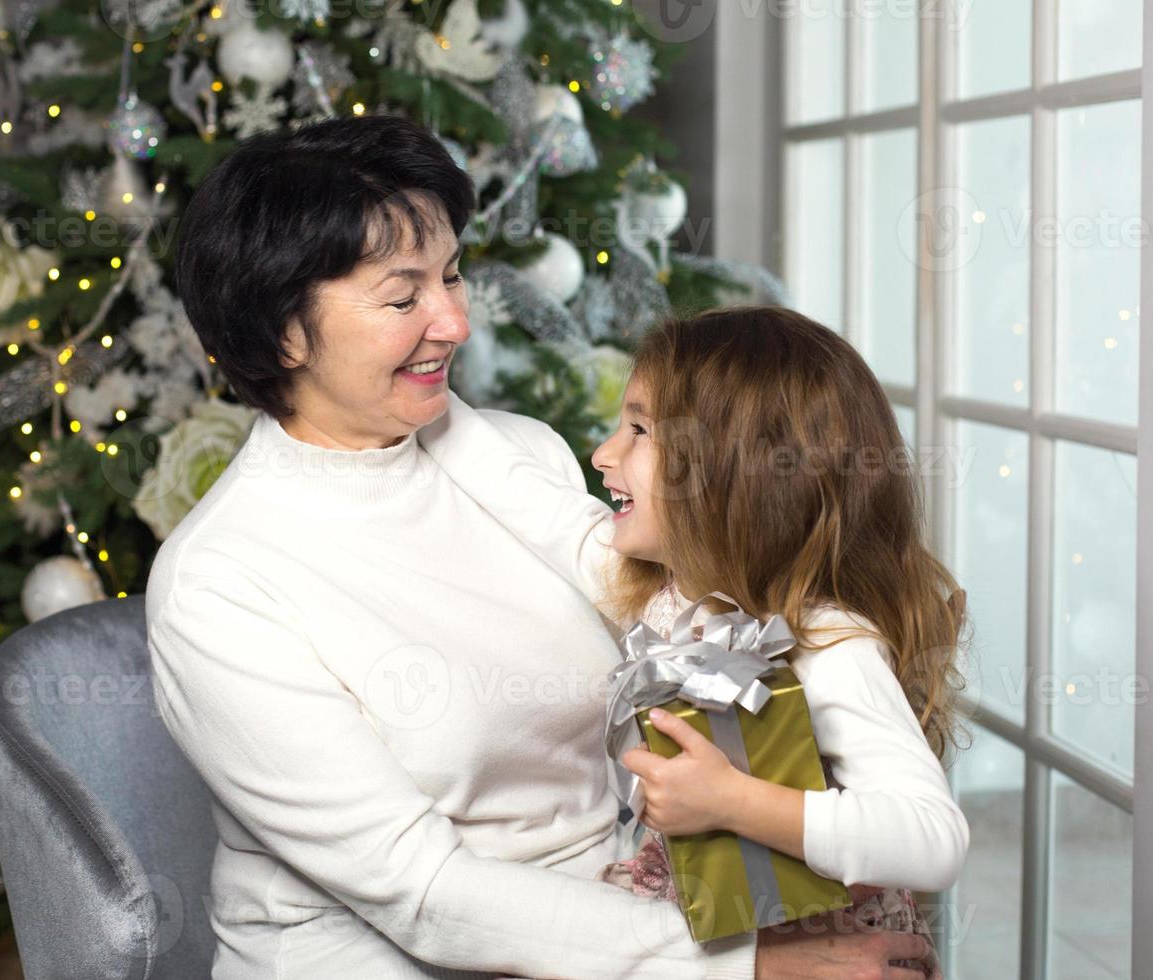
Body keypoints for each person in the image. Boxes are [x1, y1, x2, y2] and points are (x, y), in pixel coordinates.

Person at [149, 112, 935, 978]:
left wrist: (784, 844)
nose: (454, 322)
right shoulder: (219, 582)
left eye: (453, 277)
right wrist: (742, 967)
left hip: (617, 916)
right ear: (283, 333)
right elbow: (424, 895)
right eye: (403, 297)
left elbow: (702, 627)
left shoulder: (515, 457)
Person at [417, 306, 973, 977]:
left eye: (640, 430)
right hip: (709, 948)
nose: (603, 454)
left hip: (827, 958)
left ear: (733, 471)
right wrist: (414, 386)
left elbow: (933, 840)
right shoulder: (663, 593)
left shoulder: (825, 640)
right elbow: (535, 503)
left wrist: (734, 802)